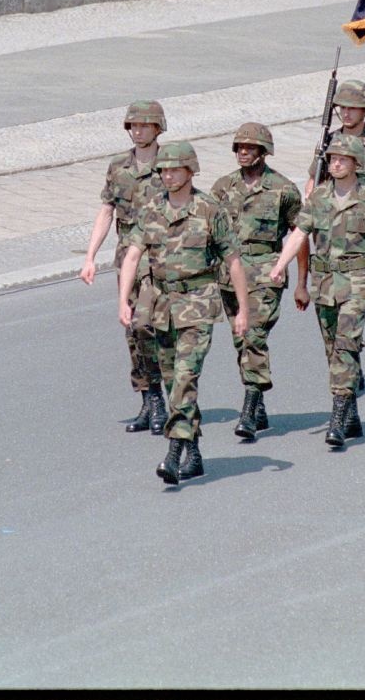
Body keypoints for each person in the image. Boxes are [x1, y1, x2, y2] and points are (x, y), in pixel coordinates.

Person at [119, 142, 250, 485]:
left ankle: (174, 452)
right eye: (163, 169)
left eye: (174, 169)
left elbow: (233, 262)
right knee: (171, 378)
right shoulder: (150, 210)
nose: (167, 174)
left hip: (197, 303)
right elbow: (132, 256)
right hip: (160, 304)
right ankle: (194, 455)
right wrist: (123, 301)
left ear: (191, 171)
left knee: (185, 377)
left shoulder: (209, 209)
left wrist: (242, 311)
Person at [270, 134, 365, 448]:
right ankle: (350, 413)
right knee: (332, 350)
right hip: (324, 285)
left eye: (342, 159)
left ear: (356, 163)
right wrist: (281, 265)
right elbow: (300, 234)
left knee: (345, 347)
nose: (335, 163)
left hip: (357, 283)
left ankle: (337, 418)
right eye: (332, 158)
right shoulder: (318, 197)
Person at [209, 123, 303, 441]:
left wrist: (301, 279)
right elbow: (211, 233)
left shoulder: (284, 190)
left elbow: (300, 235)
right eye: (239, 147)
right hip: (230, 273)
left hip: (266, 271)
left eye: (249, 148)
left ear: (264, 152)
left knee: (253, 334)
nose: (243, 153)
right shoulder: (222, 188)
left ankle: (249, 408)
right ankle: (259, 403)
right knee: (241, 339)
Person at [80, 101, 169, 436]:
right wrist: (90, 256)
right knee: (132, 330)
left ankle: (162, 399)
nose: (137, 130)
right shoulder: (119, 166)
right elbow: (107, 210)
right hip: (127, 256)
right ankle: (148, 400)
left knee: (150, 325)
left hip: (161, 257)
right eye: (133, 125)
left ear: (158, 128)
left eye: (144, 125)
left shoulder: (171, 163)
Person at [305, 80, 365, 226]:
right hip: (329, 221)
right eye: (342, 107)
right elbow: (314, 179)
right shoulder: (328, 141)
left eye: (352, 108)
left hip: (364, 224)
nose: (346, 113)